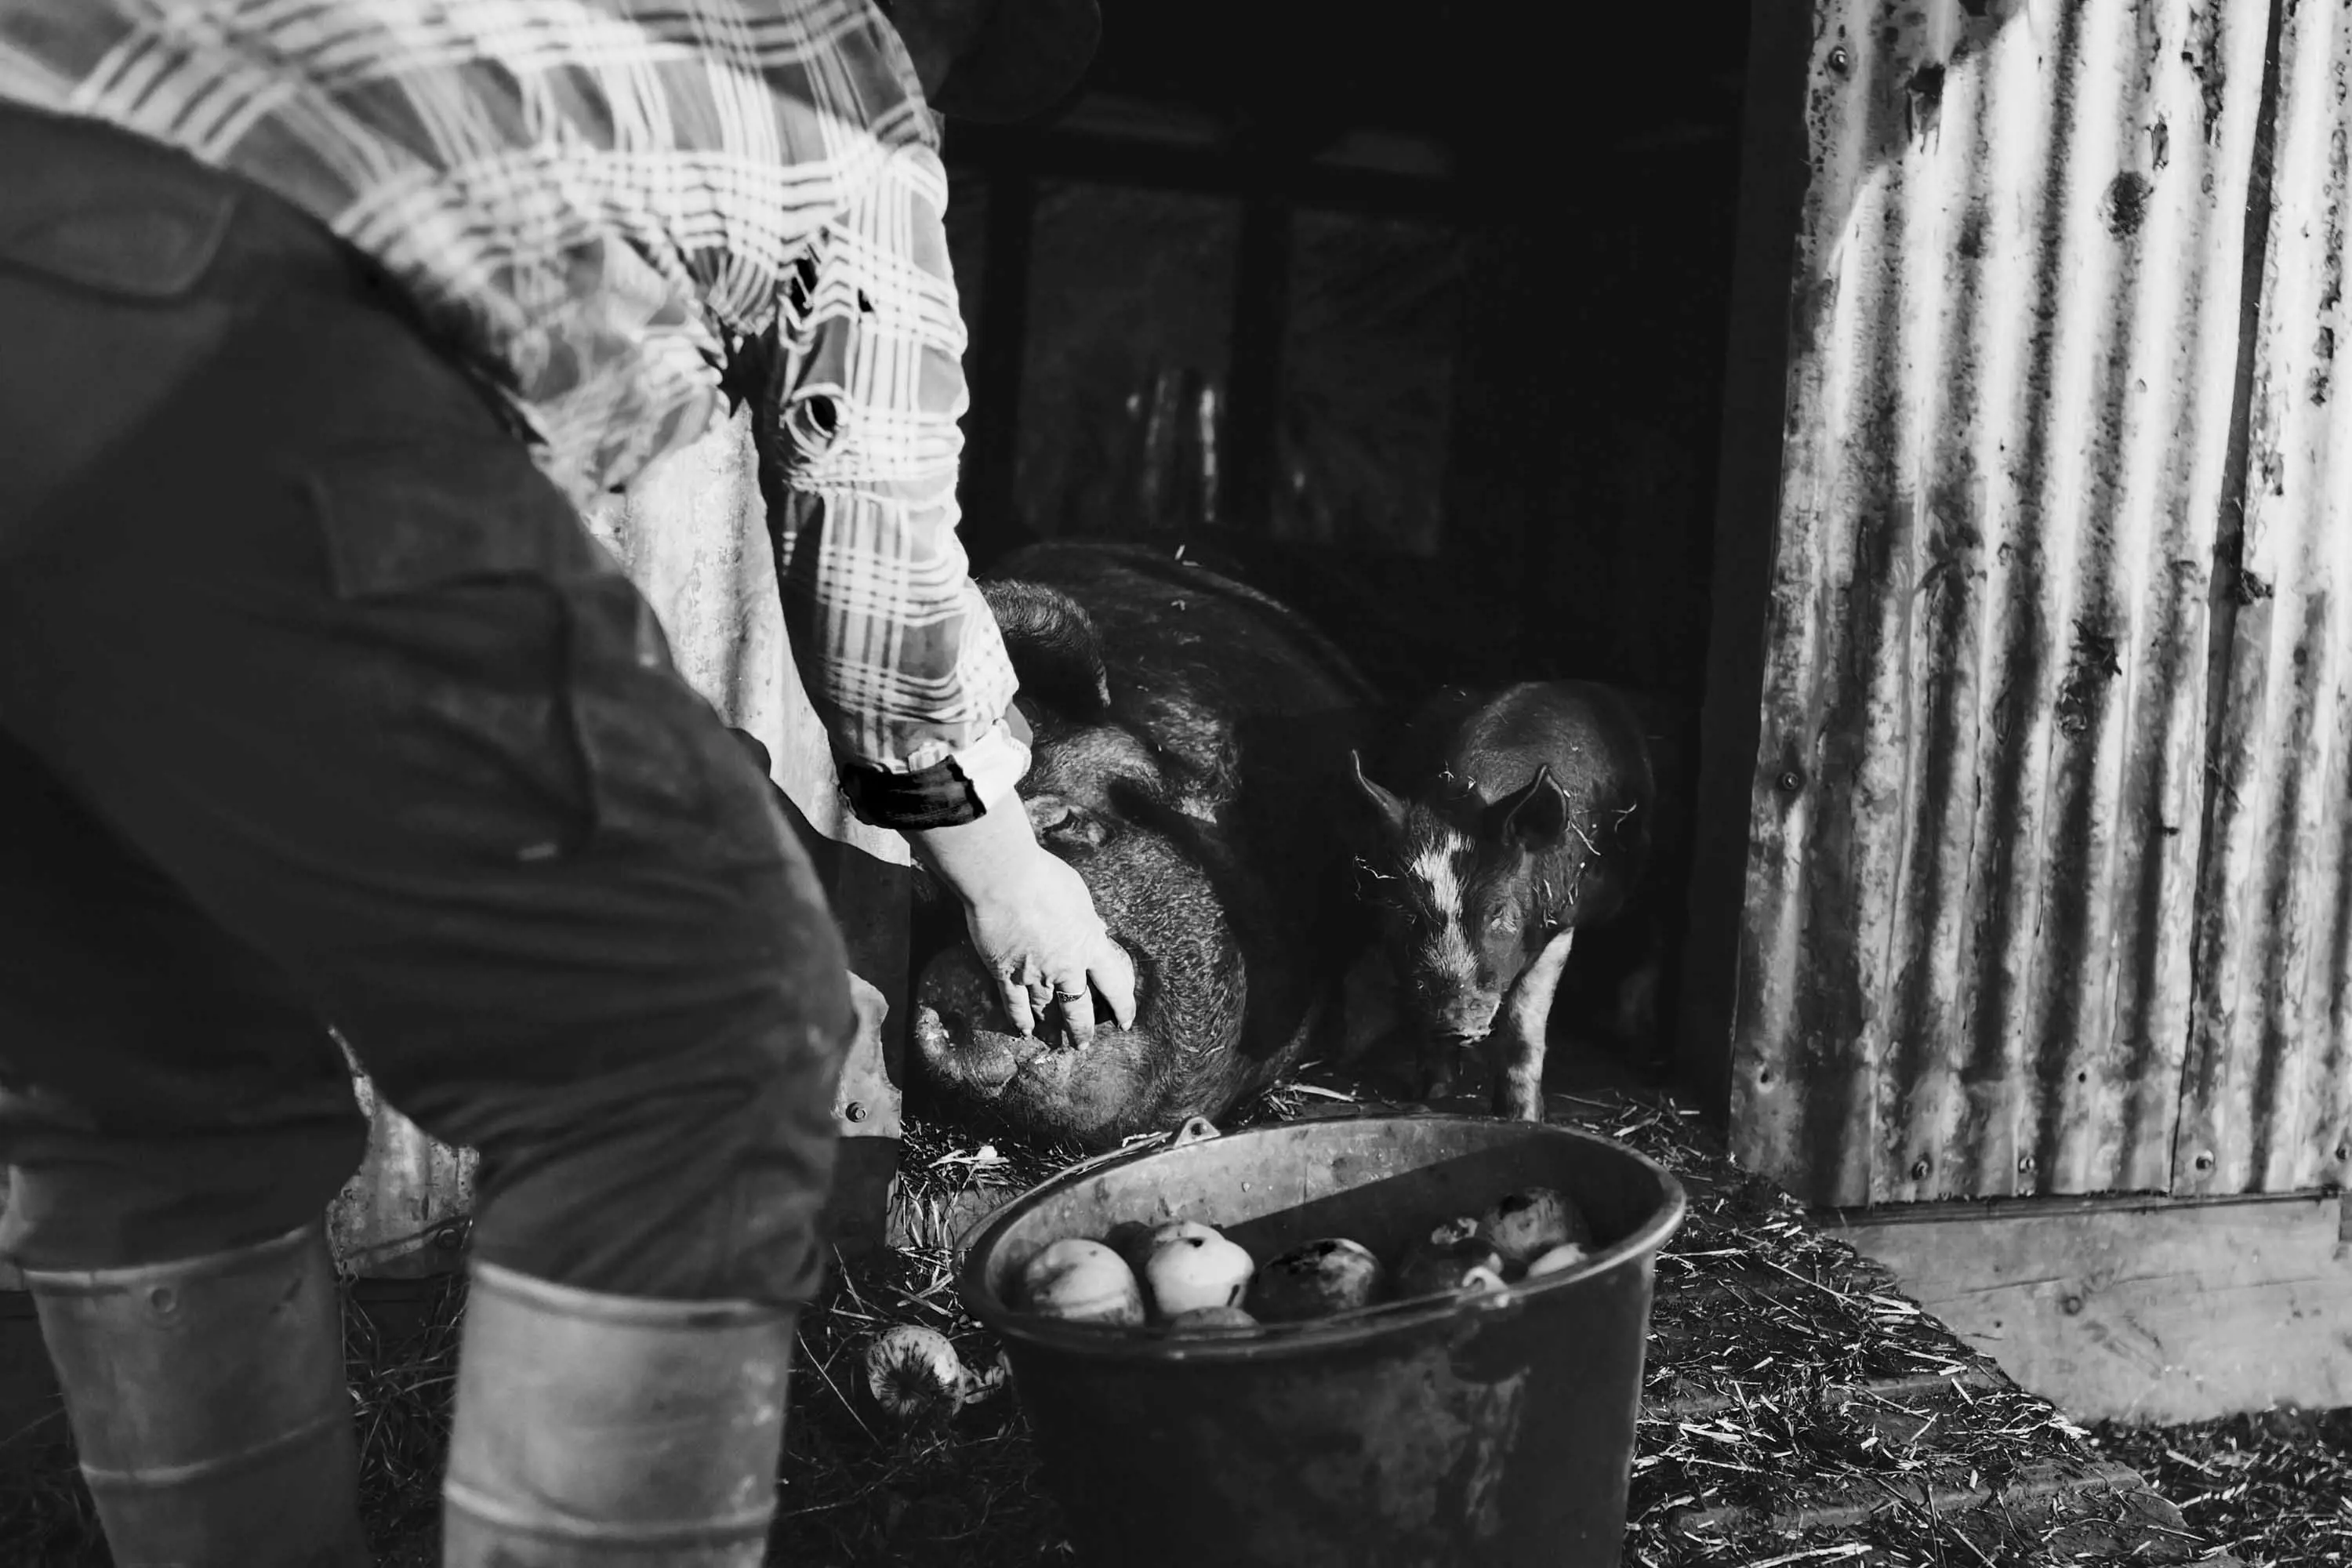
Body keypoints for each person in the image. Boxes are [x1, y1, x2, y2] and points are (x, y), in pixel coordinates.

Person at [0, 1, 1131, 1563]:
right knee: (700, 1032)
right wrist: (1008, 874)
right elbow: (877, 570)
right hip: (182, 321)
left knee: (160, 1097)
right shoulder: (836, 81)